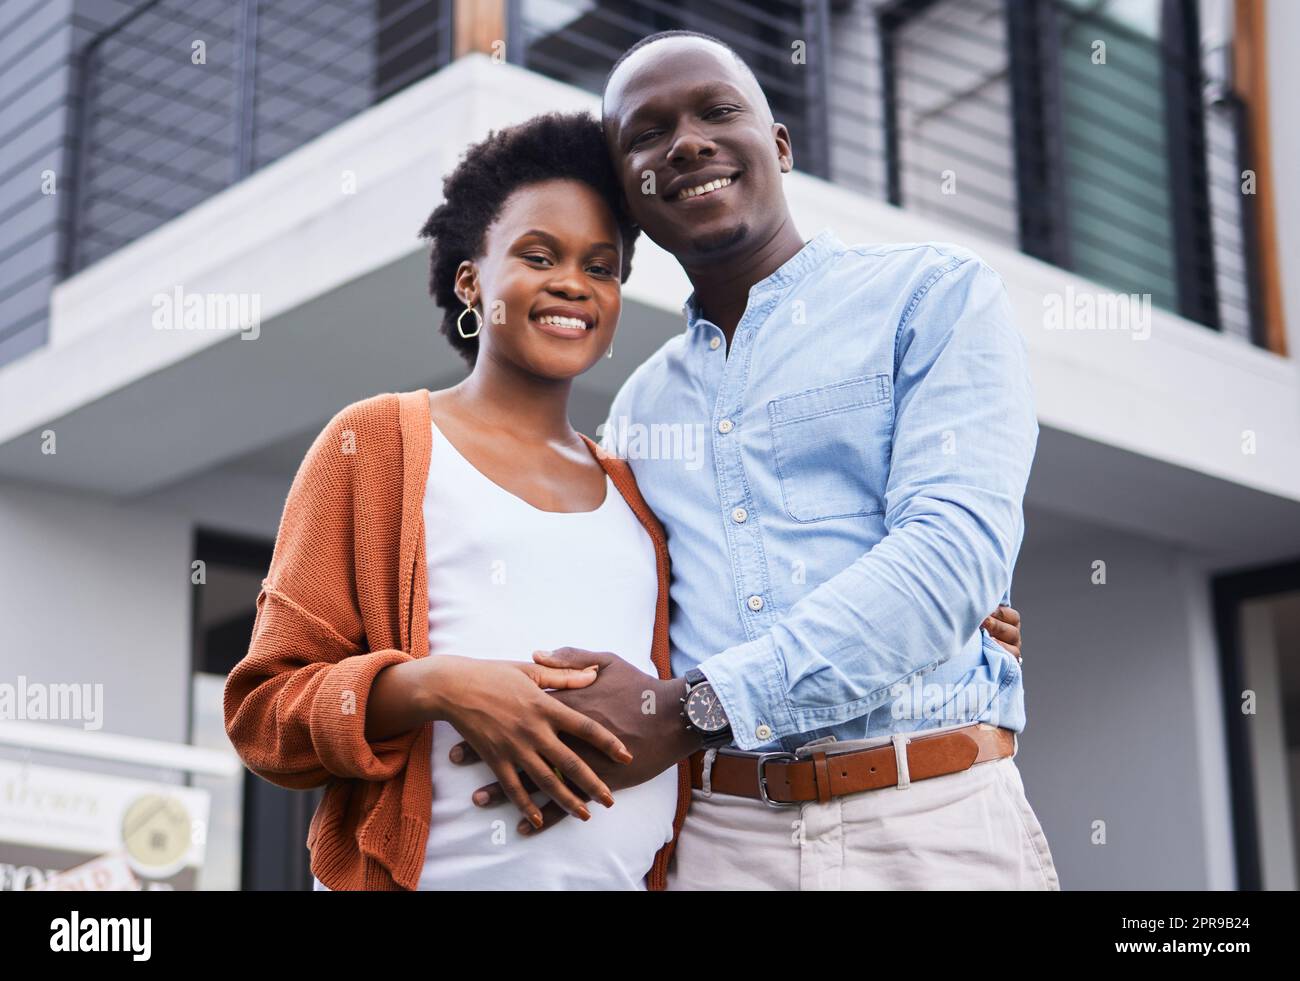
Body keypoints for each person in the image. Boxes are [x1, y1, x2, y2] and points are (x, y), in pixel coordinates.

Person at [223, 107, 1025, 890]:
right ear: (472, 279)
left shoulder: (634, 479)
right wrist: (437, 684)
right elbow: (264, 711)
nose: (572, 284)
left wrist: (960, 618)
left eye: (600, 266)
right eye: (539, 256)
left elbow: (740, 603)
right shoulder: (378, 444)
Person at [453, 30, 1059, 890]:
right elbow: (633, 618)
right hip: (722, 837)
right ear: (633, 193)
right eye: (646, 134)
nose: (687, 141)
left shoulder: (934, 295)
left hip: (931, 821)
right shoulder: (637, 412)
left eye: (718, 110)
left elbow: (952, 557)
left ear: (778, 142)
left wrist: (694, 706)